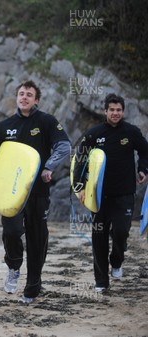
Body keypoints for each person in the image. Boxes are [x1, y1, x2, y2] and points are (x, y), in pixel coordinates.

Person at [0, 80, 70, 304]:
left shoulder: (46, 121)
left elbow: (64, 145)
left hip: (38, 193)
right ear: (16, 98)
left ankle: (32, 288)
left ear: (36, 100)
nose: (24, 97)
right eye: (21, 94)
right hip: (10, 194)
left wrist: (49, 166)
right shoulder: (3, 127)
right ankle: (14, 266)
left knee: (37, 240)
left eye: (29, 94)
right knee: (11, 231)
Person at [72, 93, 148, 293]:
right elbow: (80, 159)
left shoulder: (131, 132)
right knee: (99, 236)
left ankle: (116, 261)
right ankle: (101, 281)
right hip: (98, 195)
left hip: (124, 193)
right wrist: (80, 187)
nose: (115, 113)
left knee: (121, 232)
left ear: (123, 112)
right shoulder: (94, 133)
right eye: (112, 110)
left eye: (119, 110)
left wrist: (143, 169)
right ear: (105, 111)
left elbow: (145, 151)